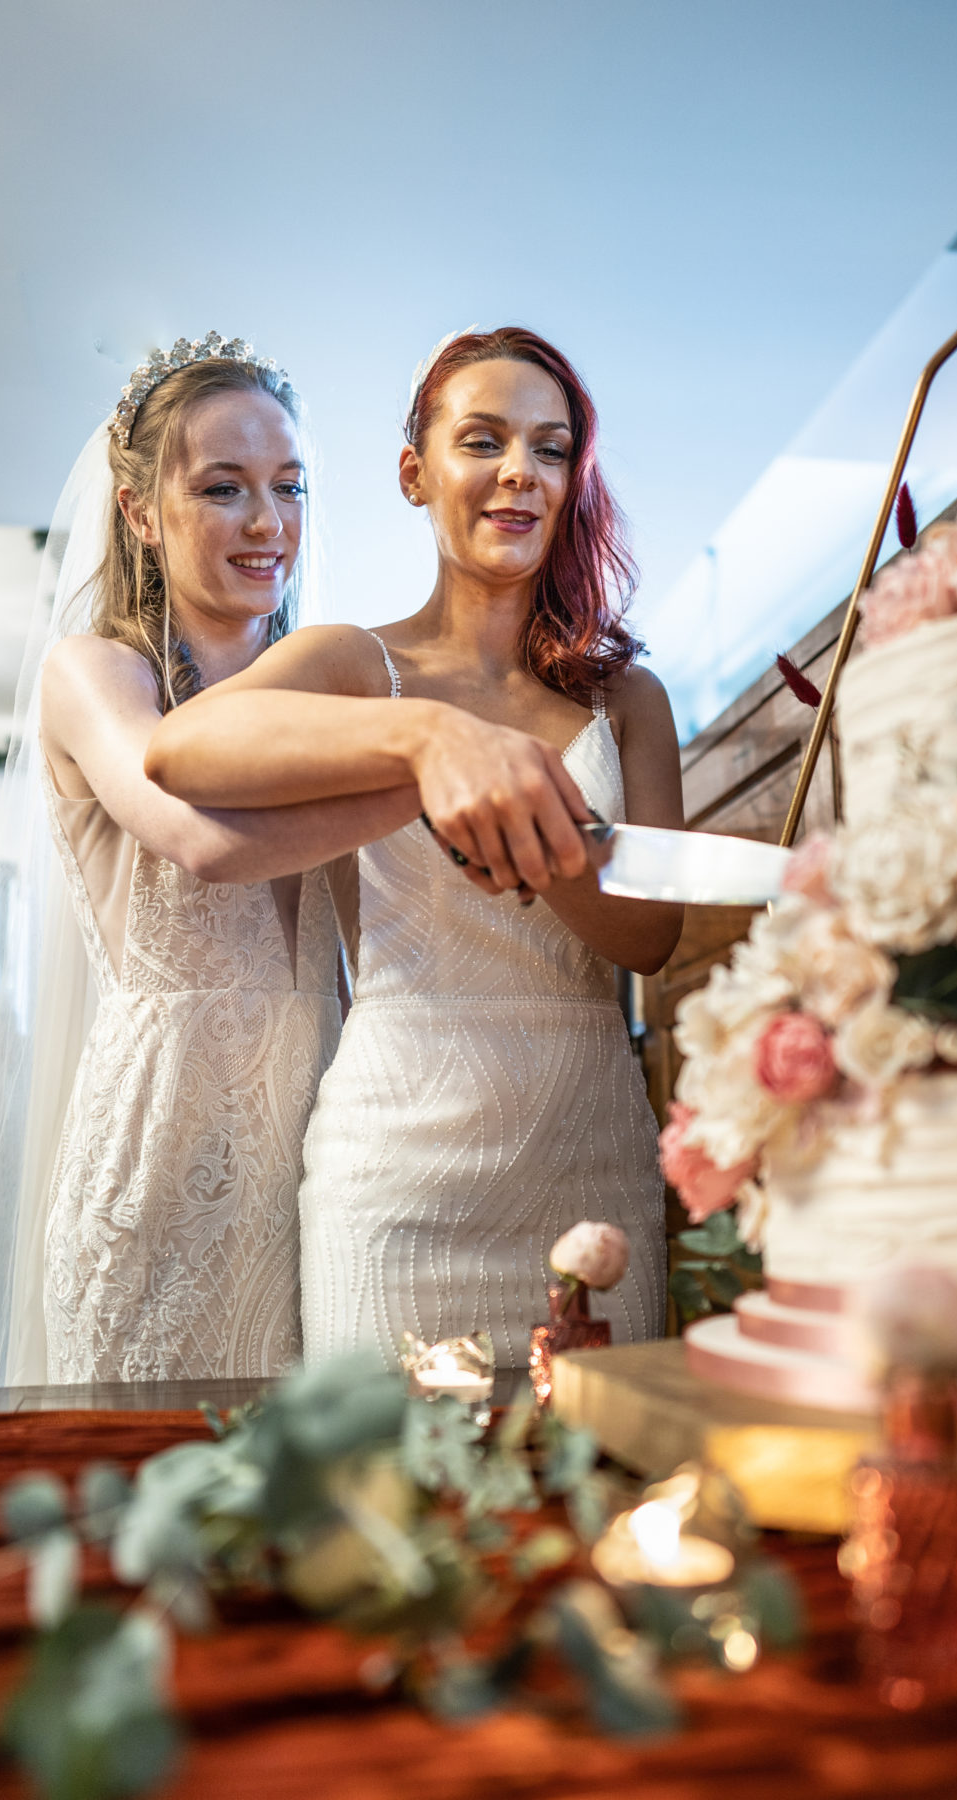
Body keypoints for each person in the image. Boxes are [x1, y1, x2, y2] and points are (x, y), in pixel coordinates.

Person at [146, 326, 685, 1367]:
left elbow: (653, 939)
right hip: (395, 1175)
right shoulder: (353, 662)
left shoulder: (629, 699)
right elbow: (182, 750)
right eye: (482, 441)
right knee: (381, 1512)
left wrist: (545, 832)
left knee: (603, 1496)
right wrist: (430, 735)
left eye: (552, 448)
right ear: (415, 472)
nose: (520, 473)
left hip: (594, 1161)